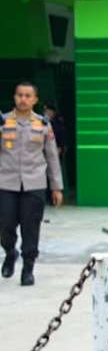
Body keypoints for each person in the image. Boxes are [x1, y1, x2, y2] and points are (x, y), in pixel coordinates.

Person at [0, 81, 65, 286]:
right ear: (14, 97)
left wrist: (57, 187)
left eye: (28, 96)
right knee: (5, 225)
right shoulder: (3, 122)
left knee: (31, 228)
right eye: (20, 95)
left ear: (35, 100)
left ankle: (28, 268)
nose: (23, 99)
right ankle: (10, 251)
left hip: (34, 183)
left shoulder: (43, 125)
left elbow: (52, 157)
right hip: (5, 182)